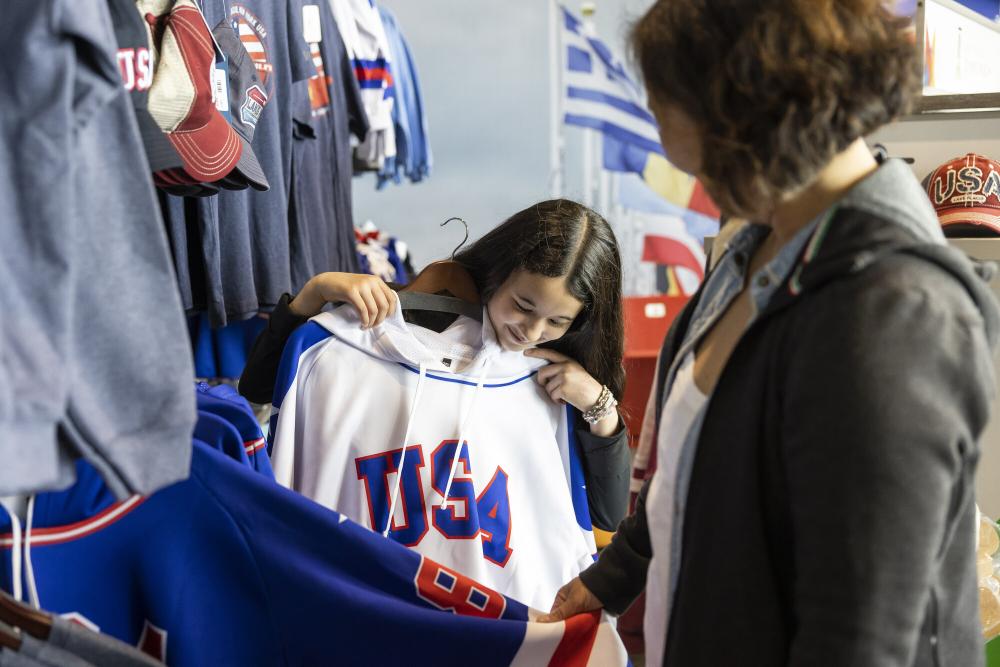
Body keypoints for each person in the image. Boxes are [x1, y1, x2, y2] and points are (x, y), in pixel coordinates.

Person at [538, 2, 999, 667]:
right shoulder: (750, 254)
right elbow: (695, 474)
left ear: (745, 110)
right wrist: (608, 579)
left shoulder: (893, 313)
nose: (665, 146)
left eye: (671, 113)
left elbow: (861, 633)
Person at [239, 198, 631, 539]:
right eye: (523, 306)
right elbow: (257, 387)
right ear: (497, 274)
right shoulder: (360, 333)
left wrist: (600, 407)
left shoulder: (557, 381)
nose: (531, 331)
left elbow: (607, 514)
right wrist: (314, 294)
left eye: (557, 322)